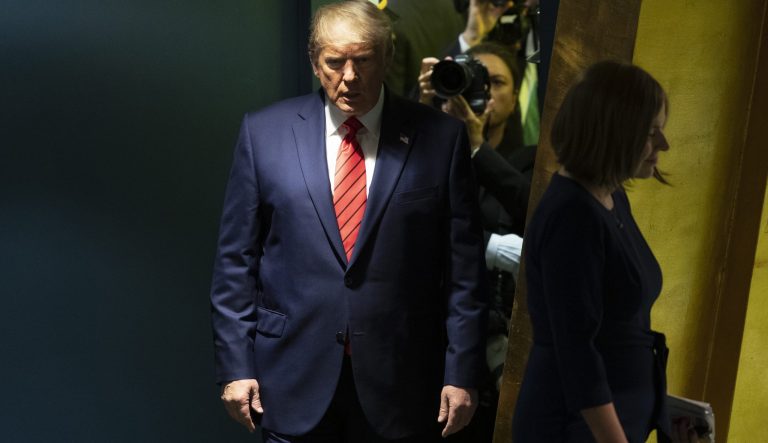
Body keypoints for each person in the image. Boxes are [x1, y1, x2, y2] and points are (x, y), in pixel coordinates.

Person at [209, 1, 488, 442]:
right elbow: (234, 262)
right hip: (290, 377)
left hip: (402, 382)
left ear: (388, 58)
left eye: (363, 60)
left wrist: (463, 370)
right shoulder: (264, 134)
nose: (350, 77)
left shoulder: (440, 138)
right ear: (314, 62)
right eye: (335, 62)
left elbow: (465, 273)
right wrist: (235, 367)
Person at [512, 61, 674, 442]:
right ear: (614, 133)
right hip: (571, 427)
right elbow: (577, 353)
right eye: (652, 133)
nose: (663, 145)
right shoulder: (572, 215)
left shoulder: (611, 196)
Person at [418, 41, 534, 443]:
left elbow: (529, 209)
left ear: (515, 93)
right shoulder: (428, 147)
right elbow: (410, 223)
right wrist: (423, 114)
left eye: (495, 80)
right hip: (431, 342)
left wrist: (478, 147)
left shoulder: (529, 159)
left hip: (499, 343)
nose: (481, 88)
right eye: (471, 76)